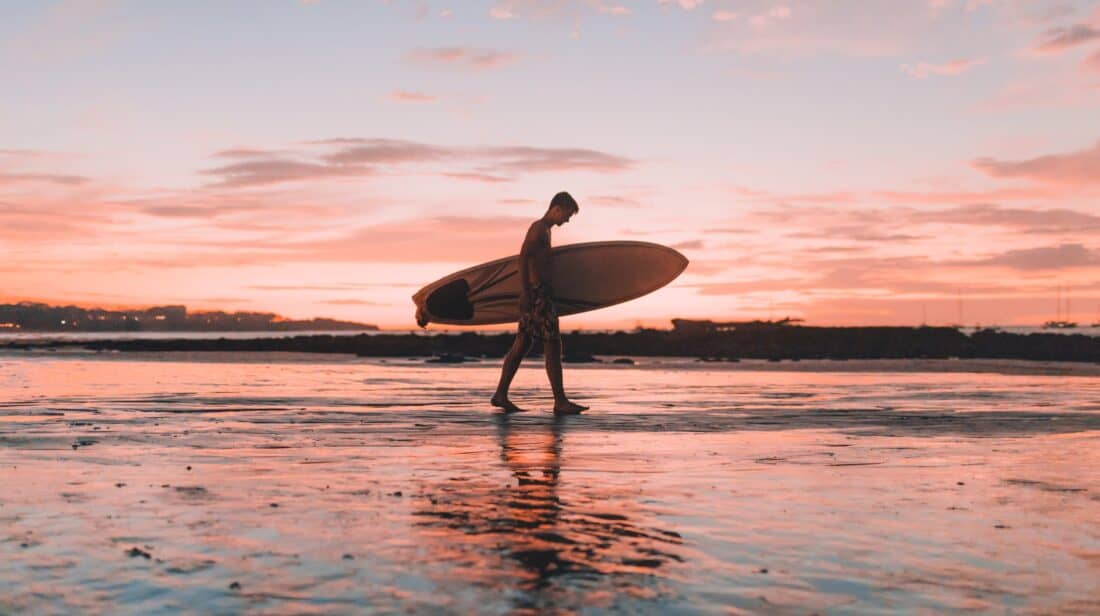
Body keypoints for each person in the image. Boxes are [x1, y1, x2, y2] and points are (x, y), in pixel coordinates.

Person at [491, 192, 589, 415]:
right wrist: (525, 292)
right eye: (567, 214)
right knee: (553, 344)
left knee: (523, 343)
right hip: (538, 296)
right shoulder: (538, 229)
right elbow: (523, 258)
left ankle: (500, 394)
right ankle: (560, 401)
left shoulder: (544, 230)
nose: (567, 220)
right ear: (557, 207)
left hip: (539, 294)